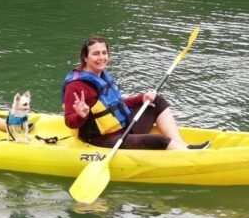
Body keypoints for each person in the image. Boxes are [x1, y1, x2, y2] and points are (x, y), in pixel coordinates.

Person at [62, 36, 210, 150]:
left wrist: (142, 98)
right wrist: (81, 115)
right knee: (159, 140)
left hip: (124, 129)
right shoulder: (76, 86)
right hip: (101, 139)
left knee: (156, 101)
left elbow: (115, 105)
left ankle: (183, 146)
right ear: (85, 58)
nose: (101, 57)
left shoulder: (101, 75)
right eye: (95, 54)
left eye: (104, 53)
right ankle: (191, 157)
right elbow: (69, 121)